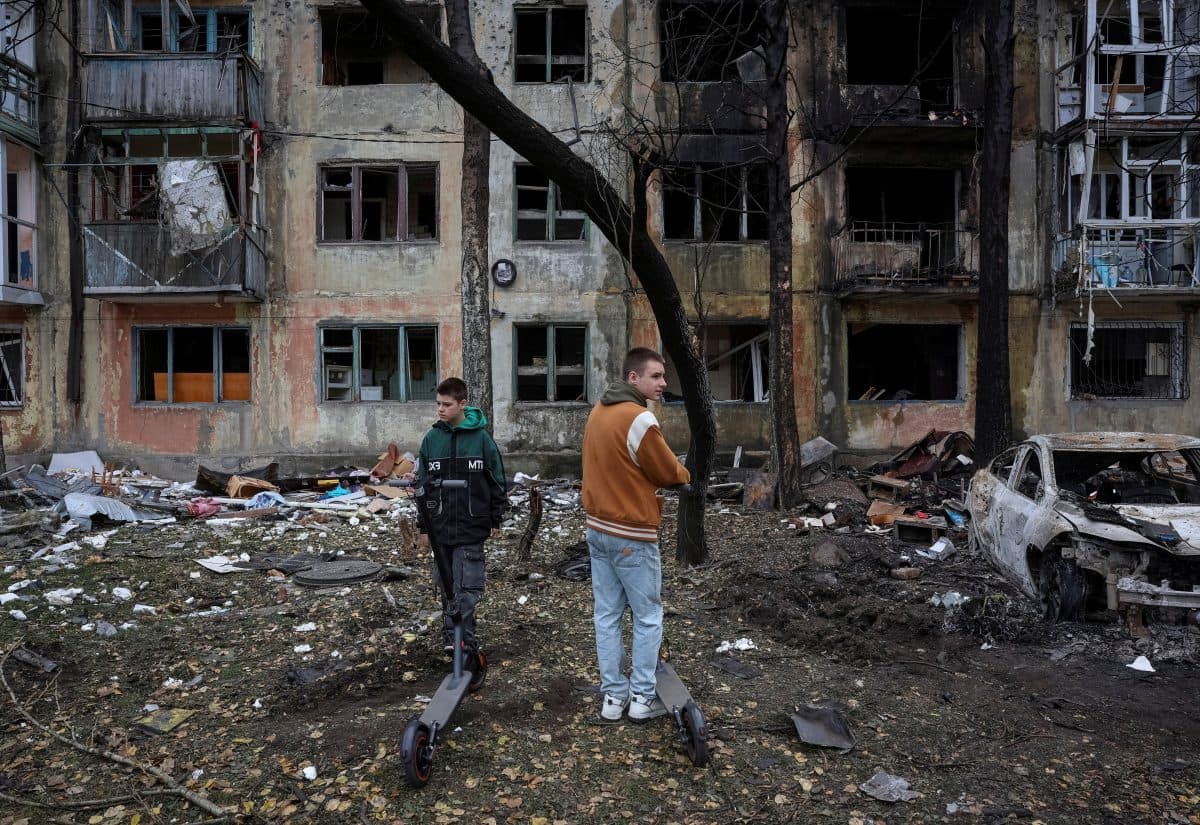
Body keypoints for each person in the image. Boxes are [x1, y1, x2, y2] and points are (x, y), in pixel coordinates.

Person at [581, 347, 690, 723]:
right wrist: (687, 474)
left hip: (597, 529)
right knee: (647, 617)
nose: (663, 383)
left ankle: (613, 698)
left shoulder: (598, 412)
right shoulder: (639, 418)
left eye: (663, 376)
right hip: (631, 532)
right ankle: (643, 699)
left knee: (607, 616)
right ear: (633, 379)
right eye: (656, 376)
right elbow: (667, 471)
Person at [414, 377, 506, 655]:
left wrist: (496, 518)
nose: (440, 410)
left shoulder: (481, 440)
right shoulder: (431, 440)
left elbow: (497, 480)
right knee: (446, 587)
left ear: (463, 404)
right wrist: (424, 527)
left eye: (447, 404)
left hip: (471, 525)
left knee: (466, 588)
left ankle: (466, 644)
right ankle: (450, 639)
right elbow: (422, 487)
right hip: (440, 527)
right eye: (438, 404)